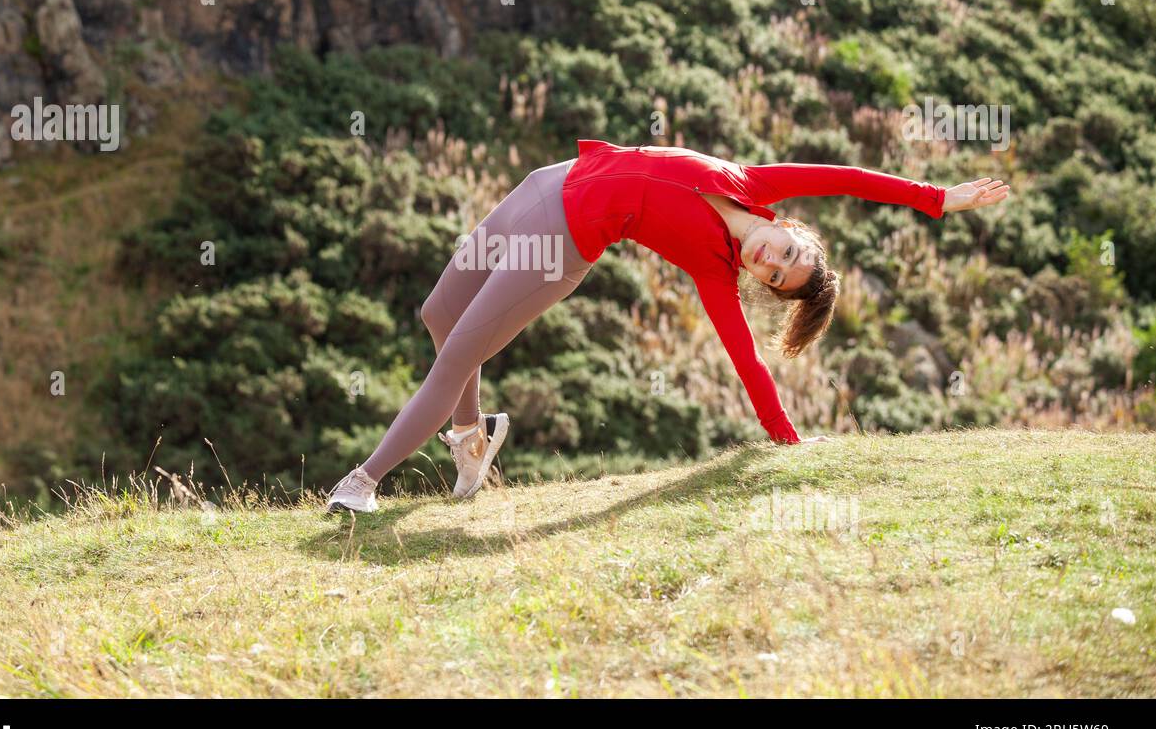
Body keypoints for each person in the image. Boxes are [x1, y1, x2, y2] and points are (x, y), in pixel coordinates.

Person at [327, 139, 1010, 513]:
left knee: (454, 360)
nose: (773, 264)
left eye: (778, 279)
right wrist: (936, 199)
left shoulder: (714, 270)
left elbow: (750, 364)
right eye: (789, 254)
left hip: (560, 242)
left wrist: (787, 438)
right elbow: (847, 178)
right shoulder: (751, 181)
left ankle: (364, 481)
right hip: (546, 183)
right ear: (790, 227)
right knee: (438, 315)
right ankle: (472, 442)